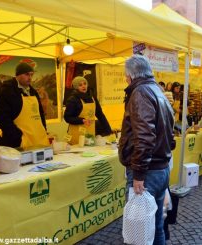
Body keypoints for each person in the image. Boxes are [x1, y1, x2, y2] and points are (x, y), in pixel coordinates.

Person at [118, 54, 175, 244]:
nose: (126, 79)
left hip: (148, 172)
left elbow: (144, 137)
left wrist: (139, 174)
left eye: (126, 76)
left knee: (141, 229)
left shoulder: (141, 92)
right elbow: (168, 131)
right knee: (156, 225)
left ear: (131, 76)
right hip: (160, 168)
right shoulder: (156, 90)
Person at [0, 62, 49, 148]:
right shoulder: (7, 91)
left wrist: (43, 130)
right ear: (18, 75)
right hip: (17, 144)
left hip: (38, 141)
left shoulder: (33, 92)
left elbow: (40, 114)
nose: (30, 78)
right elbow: (0, 118)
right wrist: (18, 136)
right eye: (27, 75)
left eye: (31, 75)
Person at [64, 76, 111, 145]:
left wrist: (108, 130)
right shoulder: (72, 100)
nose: (83, 86)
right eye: (80, 85)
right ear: (76, 87)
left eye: (85, 84)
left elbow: (100, 114)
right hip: (76, 134)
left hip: (89, 133)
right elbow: (67, 117)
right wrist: (82, 120)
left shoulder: (92, 97)